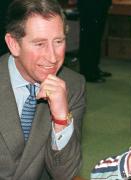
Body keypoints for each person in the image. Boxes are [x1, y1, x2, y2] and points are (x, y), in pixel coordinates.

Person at [0, 0, 86, 179]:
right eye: (39, 44)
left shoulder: (73, 85)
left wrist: (61, 118)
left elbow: (65, 173)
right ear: (14, 44)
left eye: (58, 41)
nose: (53, 57)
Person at [77, 0, 112, 83]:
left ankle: (94, 68)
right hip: (90, 5)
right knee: (90, 37)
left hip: (100, 4)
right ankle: (87, 72)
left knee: (97, 38)